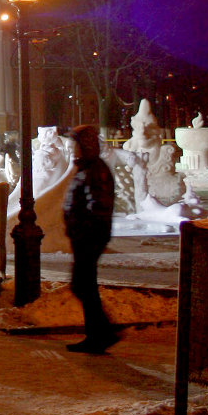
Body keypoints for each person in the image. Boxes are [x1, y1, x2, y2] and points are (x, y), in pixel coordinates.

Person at [62, 125, 118, 354]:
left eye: (74, 144)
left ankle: (101, 334)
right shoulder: (88, 168)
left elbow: (98, 206)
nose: (70, 148)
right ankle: (99, 334)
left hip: (89, 236)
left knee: (83, 285)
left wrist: (84, 231)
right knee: (84, 285)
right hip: (84, 236)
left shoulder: (96, 170)